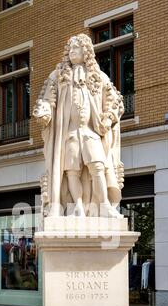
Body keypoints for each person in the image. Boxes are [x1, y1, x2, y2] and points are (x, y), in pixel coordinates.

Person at [33, 33, 125, 217]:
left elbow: (115, 101)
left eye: (77, 48)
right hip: (69, 134)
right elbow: (46, 100)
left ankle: (104, 205)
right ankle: (78, 207)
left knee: (98, 166)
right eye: (71, 49)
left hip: (91, 132)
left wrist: (108, 117)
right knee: (72, 172)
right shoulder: (58, 76)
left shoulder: (99, 77)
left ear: (86, 52)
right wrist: (44, 112)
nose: (73, 51)